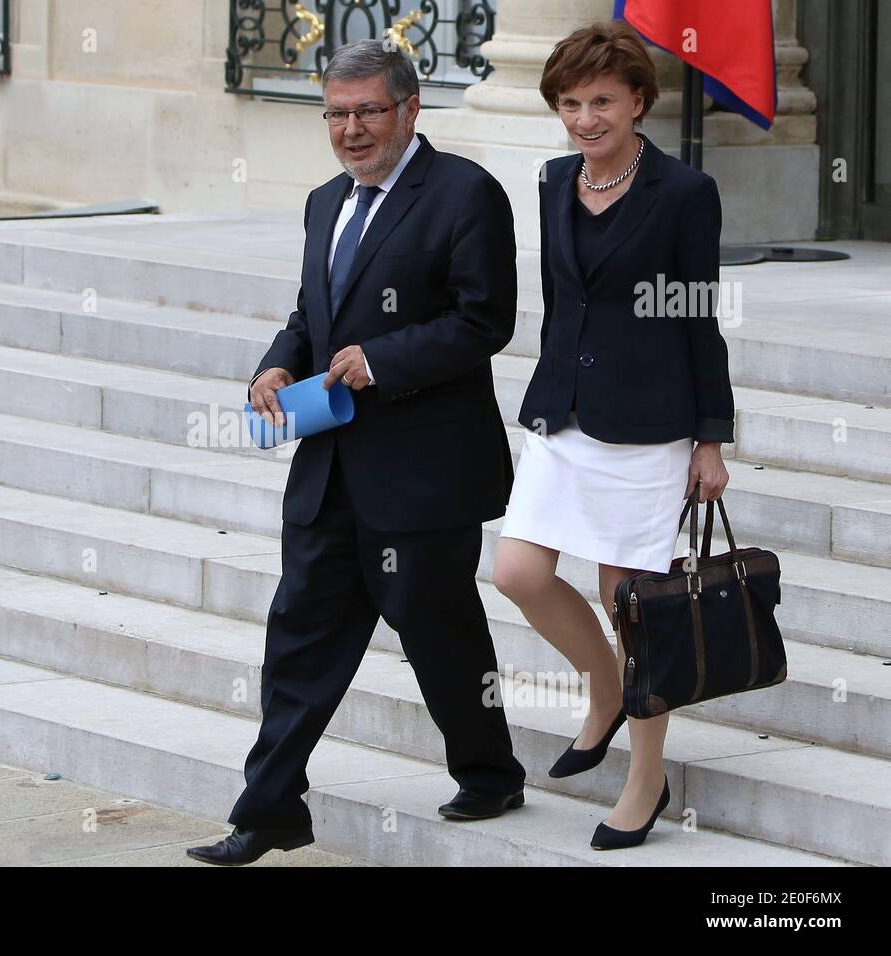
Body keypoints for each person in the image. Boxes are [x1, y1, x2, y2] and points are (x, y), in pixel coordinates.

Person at [186, 38, 525, 866]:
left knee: (440, 631)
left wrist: (383, 361)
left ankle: (488, 771)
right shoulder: (322, 202)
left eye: (369, 111)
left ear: (410, 110)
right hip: (330, 464)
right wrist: (279, 360)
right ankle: (270, 809)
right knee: (298, 634)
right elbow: (314, 315)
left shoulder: (465, 195)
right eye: (336, 114)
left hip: (424, 472)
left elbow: (487, 322)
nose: (351, 130)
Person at [491, 20, 734, 851]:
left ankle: (645, 777)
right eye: (570, 103)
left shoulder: (683, 194)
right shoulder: (555, 180)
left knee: (632, 605)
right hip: (565, 415)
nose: (585, 118)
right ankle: (602, 687)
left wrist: (710, 437)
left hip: (649, 427)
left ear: (638, 100)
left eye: (601, 101)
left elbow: (699, 317)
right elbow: (566, 304)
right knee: (517, 570)